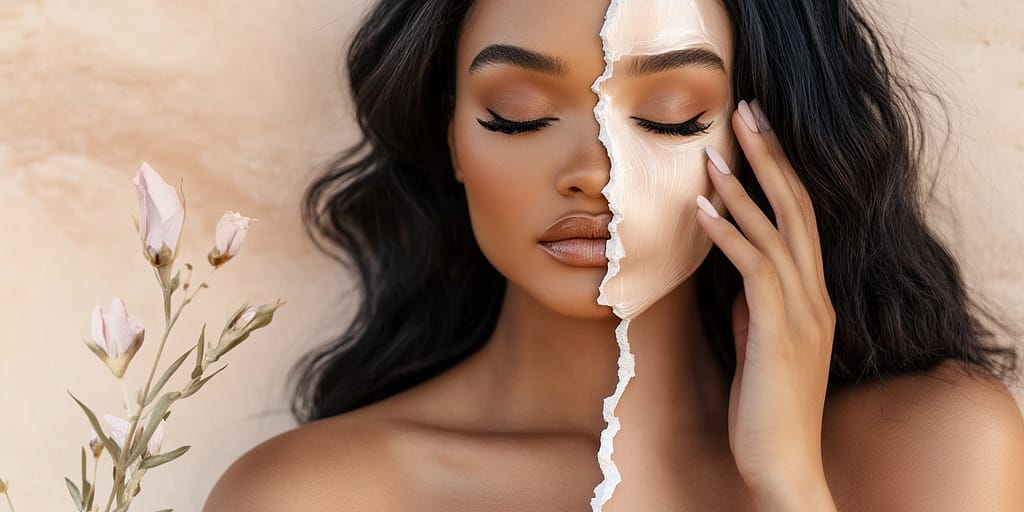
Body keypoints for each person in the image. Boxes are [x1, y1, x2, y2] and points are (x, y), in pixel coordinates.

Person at [204, 0, 1024, 510]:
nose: (594, 170)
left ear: (757, 136)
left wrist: (789, 484)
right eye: (518, 115)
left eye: (668, 115)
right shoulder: (314, 498)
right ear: (450, 134)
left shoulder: (936, 449)